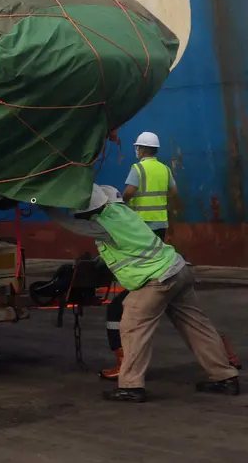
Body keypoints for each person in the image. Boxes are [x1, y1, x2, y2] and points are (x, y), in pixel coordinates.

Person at [55, 185, 238, 402]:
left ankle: (131, 386)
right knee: (197, 326)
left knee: (133, 326)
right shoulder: (120, 211)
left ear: (87, 211)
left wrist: (41, 203)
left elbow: (71, 225)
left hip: (158, 279)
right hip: (179, 269)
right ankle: (225, 377)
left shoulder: (104, 224)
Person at [98, 131, 240, 379]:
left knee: (135, 305)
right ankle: (222, 370)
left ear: (140, 149)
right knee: (164, 270)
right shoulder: (164, 169)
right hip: (160, 226)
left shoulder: (137, 169)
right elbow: (173, 194)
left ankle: (129, 378)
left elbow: (128, 193)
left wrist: (122, 207)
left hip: (139, 227)